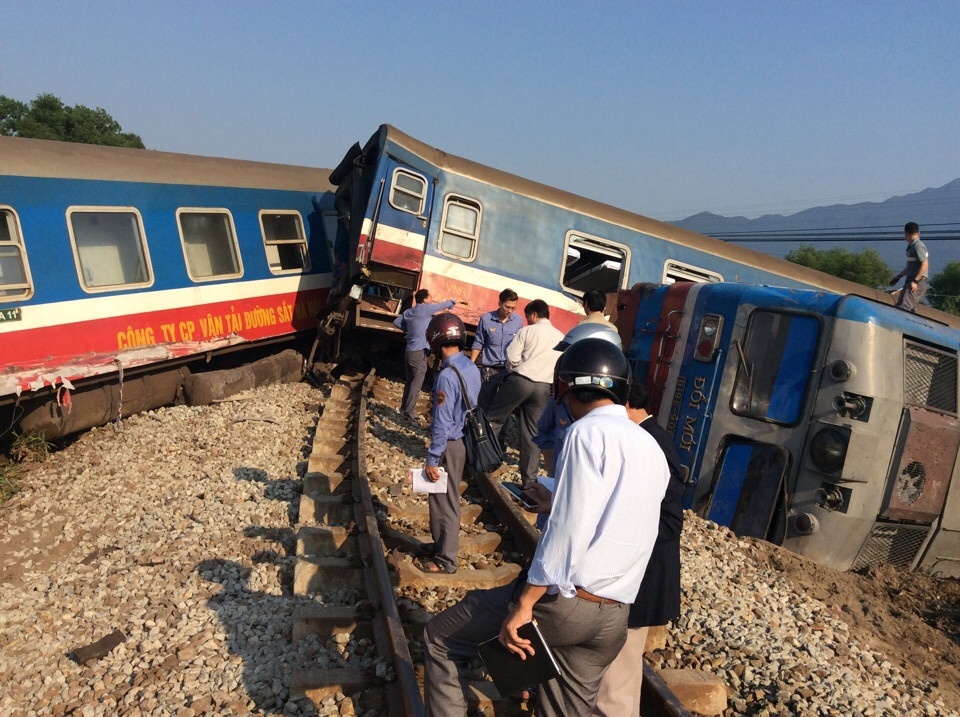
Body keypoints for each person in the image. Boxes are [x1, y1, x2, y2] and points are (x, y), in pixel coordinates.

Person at [422, 338, 670, 716]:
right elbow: (624, 512)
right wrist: (557, 497)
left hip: (567, 606)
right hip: (614, 615)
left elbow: (569, 531)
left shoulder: (584, 434)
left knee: (441, 638)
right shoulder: (651, 446)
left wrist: (524, 605)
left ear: (568, 386)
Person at [591, 381, 684, 717]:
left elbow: (669, 522)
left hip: (642, 577)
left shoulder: (651, 442)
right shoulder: (651, 438)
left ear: (627, 405)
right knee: (620, 679)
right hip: (639, 574)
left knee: (618, 679)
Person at [417, 313, 481, 574]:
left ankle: (445, 560)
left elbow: (441, 422)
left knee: (444, 503)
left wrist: (433, 458)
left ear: (435, 339)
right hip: (461, 442)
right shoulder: (470, 367)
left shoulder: (445, 376)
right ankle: (442, 550)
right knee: (447, 499)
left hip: (448, 446)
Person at [486, 299, 564, 487]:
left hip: (520, 382)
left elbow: (511, 357)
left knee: (494, 419)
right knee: (533, 434)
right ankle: (529, 482)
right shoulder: (560, 337)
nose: (527, 319)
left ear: (535, 315)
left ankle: (483, 460)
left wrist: (517, 367)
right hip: (544, 387)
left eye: (528, 316)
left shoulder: (526, 331)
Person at [393, 289, 469, 421]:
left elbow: (396, 322)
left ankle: (404, 407)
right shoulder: (426, 309)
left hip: (409, 350)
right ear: (425, 299)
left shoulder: (409, 312)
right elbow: (441, 305)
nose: (432, 299)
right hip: (419, 351)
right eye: (430, 297)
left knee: (410, 380)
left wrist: (410, 331)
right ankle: (409, 411)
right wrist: (454, 301)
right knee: (417, 381)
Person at [469, 288, 523, 411]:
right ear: (499, 303)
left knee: (504, 407)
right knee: (484, 404)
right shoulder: (486, 319)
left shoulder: (518, 321)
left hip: (508, 370)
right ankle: (481, 428)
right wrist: (471, 364)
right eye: (507, 307)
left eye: (513, 308)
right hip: (489, 370)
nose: (509, 311)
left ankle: (500, 430)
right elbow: (479, 342)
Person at [890, 222, 929, 313]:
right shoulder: (912, 246)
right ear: (919, 233)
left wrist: (915, 281)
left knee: (904, 307)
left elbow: (924, 264)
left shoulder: (917, 246)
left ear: (906, 234)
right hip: (911, 280)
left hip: (917, 281)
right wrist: (898, 276)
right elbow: (911, 266)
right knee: (901, 304)